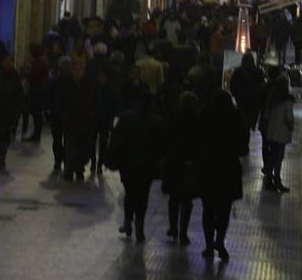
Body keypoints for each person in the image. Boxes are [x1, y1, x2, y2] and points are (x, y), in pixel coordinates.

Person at [108, 87, 163, 242]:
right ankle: (140, 225)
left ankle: (127, 222)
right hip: (147, 166)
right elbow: (161, 146)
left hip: (128, 163)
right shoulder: (157, 121)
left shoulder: (126, 118)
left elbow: (116, 140)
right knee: (143, 195)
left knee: (130, 193)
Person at [199, 90, 248, 262]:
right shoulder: (237, 116)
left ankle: (208, 245)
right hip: (229, 167)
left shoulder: (205, 114)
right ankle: (219, 241)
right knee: (224, 208)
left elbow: (199, 140)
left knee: (208, 209)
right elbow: (243, 147)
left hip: (208, 167)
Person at [162, 90, 200, 245]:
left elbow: (165, 137)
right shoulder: (198, 119)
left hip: (174, 162)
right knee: (187, 200)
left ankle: (173, 227)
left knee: (173, 198)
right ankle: (184, 231)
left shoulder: (173, 117)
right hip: (191, 163)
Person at [61, 60, 97, 182]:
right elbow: (61, 100)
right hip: (71, 121)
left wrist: (92, 114)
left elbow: (94, 100)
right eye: (75, 69)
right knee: (70, 148)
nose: (77, 71)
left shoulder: (89, 83)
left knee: (83, 148)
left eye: (79, 69)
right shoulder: (66, 83)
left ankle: (79, 168)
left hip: (85, 122)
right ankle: (69, 171)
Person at [0, 54, 24, 171]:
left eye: (10, 62)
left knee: (5, 136)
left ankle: (2, 156)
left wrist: (17, 110)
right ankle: (0, 154)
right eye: (6, 62)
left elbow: (19, 94)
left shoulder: (15, 76)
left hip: (9, 112)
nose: (8, 64)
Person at [264, 75, 295, 192]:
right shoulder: (287, 101)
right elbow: (289, 117)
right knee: (279, 157)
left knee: (272, 156)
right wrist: (291, 126)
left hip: (271, 132)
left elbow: (266, 116)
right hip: (281, 133)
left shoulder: (272, 100)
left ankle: (269, 179)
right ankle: (277, 180)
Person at [45, 55, 72, 172]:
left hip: (69, 115)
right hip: (56, 114)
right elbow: (48, 96)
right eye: (64, 65)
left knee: (68, 140)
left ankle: (66, 160)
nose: (66, 67)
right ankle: (57, 160)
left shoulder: (73, 80)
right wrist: (48, 109)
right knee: (57, 140)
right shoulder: (53, 80)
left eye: (68, 65)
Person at [230, 52, 265, 137]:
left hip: (241, 99)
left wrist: (236, 95)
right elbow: (262, 86)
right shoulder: (258, 71)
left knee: (242, 119)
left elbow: (232, 85)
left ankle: (242, 135)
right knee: (250, 119)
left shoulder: (238, 71)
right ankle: (248, 130)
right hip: (254, 100)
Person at [23, 42, 49, 143]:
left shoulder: (40, 61)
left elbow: (34, 74)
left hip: (37, 89)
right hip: (38, 88)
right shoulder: (41, 60)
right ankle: (36, 134)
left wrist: (27, 73)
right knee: (36, 112)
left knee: (36, 112)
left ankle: (36, 134)